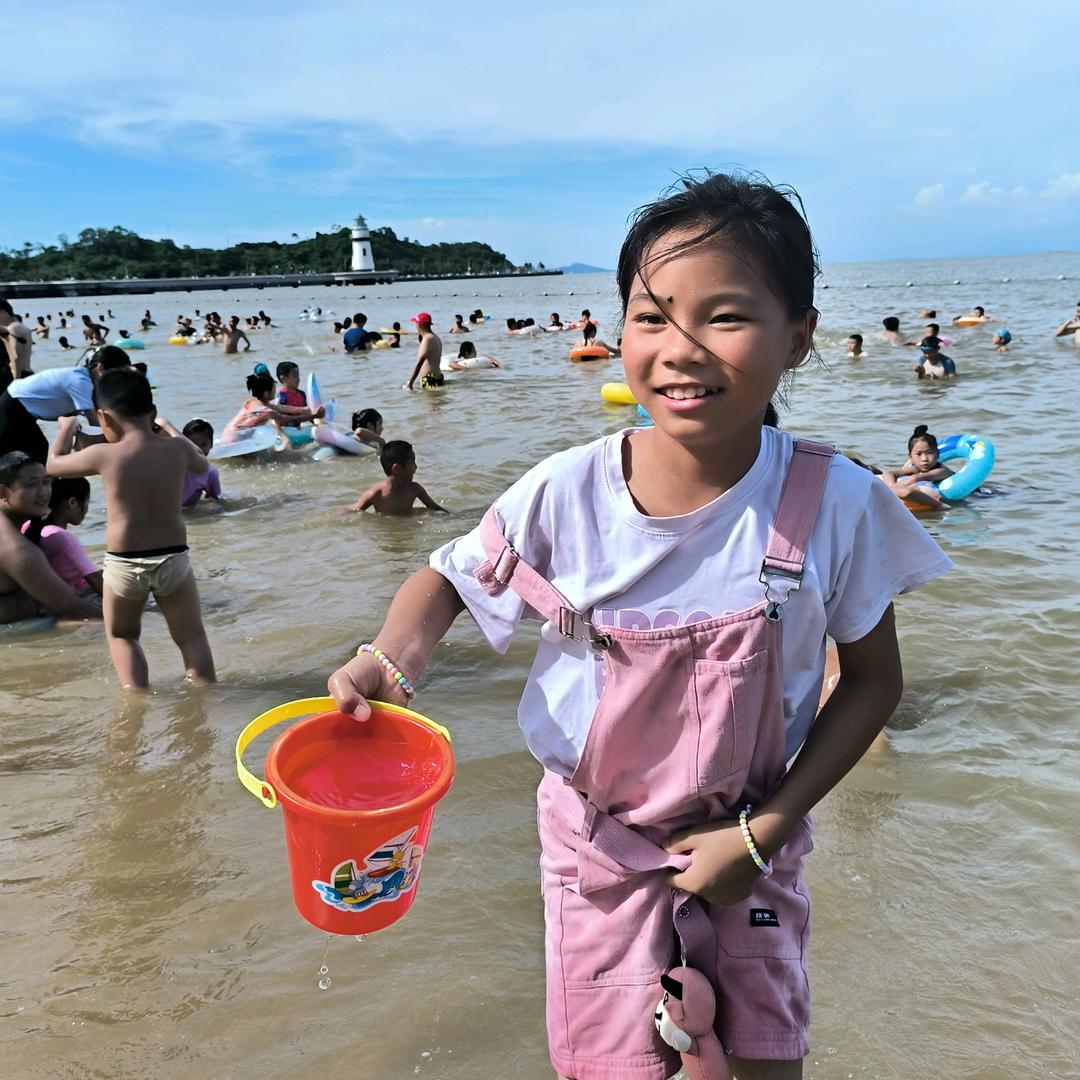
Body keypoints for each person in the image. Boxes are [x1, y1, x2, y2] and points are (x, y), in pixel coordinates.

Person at [327, 171, 951, 1080]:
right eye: (651, 317)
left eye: (725, 317)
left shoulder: (835, 499)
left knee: (764, 1059)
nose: (680, 350)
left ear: (800, 338)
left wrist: (762, 835)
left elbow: (872, 682)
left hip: (750, 844)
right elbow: (449, 580)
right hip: (598, 852)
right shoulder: (565, 492)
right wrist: (390, 659)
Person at [46, 368, 216, 688]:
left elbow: (54, 465)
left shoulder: (103, 455)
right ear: (151, 412)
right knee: (191, 637)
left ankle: (137, 703)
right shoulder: (177, 450)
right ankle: (204, 698)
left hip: (125, 564)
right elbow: (201, 463)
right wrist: (165, 425)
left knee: (123, 635)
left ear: (103, 416)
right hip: (173, 559)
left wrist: (66, 430)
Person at [0, 452, 101, 623]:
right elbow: (73, 607)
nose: (43, 493)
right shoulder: (15, 549)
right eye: (32, 485)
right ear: (3, 491)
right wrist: (137, 622)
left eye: (47, 482)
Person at [0, 345, 131, 463]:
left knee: (38, 451)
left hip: (19, 405)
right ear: (100, 368)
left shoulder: (85, 378)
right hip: (13, 406)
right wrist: (120, 446)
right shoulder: (80, 382)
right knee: (30, 454)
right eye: (116, 375)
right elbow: (96, 421)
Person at [21, 475, 103, 596]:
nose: (87, 508)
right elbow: (95, 579)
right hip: (70, 597)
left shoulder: (29, 526)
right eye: (87, 501)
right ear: (72, 503)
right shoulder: (64, 539)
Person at [346, 440, 446, 515]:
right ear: (397, 468)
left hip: (408, 532)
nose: (416, 467)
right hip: (385, 534)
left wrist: (455, 518)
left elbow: (435, 508)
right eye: (412, 463)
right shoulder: (376, 494)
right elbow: (356, 511)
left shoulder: (415, 489)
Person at [222, 368, 323, 441]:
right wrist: (315, 416)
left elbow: (281, 407)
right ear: (266, 394)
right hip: (236, 440)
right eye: (274, 389)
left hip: (226, 434)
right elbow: (290, 419)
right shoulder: (267, 412)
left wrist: (304, 409)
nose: (275, 391)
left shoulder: (251, 401)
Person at [875, 425, 954, 509]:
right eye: (919, 454)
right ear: (910, 457)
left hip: (935, 494)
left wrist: (892, 490)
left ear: (938, 454)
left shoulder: (943, 470)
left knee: (906, 491)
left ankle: (939, 505)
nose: (924, 459)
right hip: (902, 489)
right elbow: (888, 473)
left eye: (929, 452)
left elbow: (916, 478)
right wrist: (891, 486)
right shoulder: (915, 468)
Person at [177, 419, 223, 513]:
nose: (198, 449)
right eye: (193, 444)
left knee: (216, 508)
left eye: (204, 444)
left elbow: (215, 497)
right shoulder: (174, 465)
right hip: (168, 509)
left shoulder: (211, 473)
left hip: (187, 510)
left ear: (211, 444)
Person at [404, 313, 444, 390]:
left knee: (428, 402)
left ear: (419, 325)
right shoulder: (434, 337)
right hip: (437, 377)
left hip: (430, 379)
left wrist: (410, 382)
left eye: (415, 323)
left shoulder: (427, 339)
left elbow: (420, 362)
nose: (415, 326)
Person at [0, 298, 33, 391]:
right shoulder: (19, 327)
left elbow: (15, 358)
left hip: (17, 376)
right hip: (24, 374)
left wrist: (15, 383)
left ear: (2, 312)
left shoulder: (14, 328)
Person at [276, 362, 307, 426]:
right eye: (295, 375)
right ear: (283, 378)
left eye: (298, 375)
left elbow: (307, 413)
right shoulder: (281, 397)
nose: (298, 378)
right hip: (288, 429)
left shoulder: (301, 394)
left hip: (301, 426)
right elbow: (282, 419)